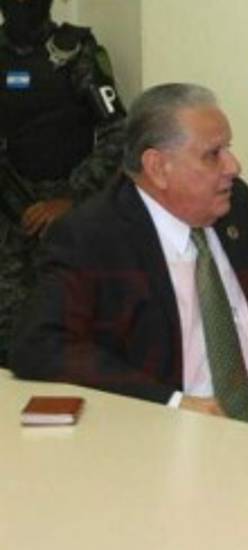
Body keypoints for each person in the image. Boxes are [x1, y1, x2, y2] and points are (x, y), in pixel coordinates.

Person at [9, 83, 248, 436]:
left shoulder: (234, 205)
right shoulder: (93, 235)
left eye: (228, 149)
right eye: (213, 154)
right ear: (158, 167)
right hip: (156, 434)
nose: (233, 166)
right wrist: (169, 403)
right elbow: (40, 344)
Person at [0, 0, 126, 365]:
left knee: (68, 332)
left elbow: (118, 131)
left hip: (66, 220)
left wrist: (73, 197)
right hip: (8, 216)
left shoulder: (74, 51)